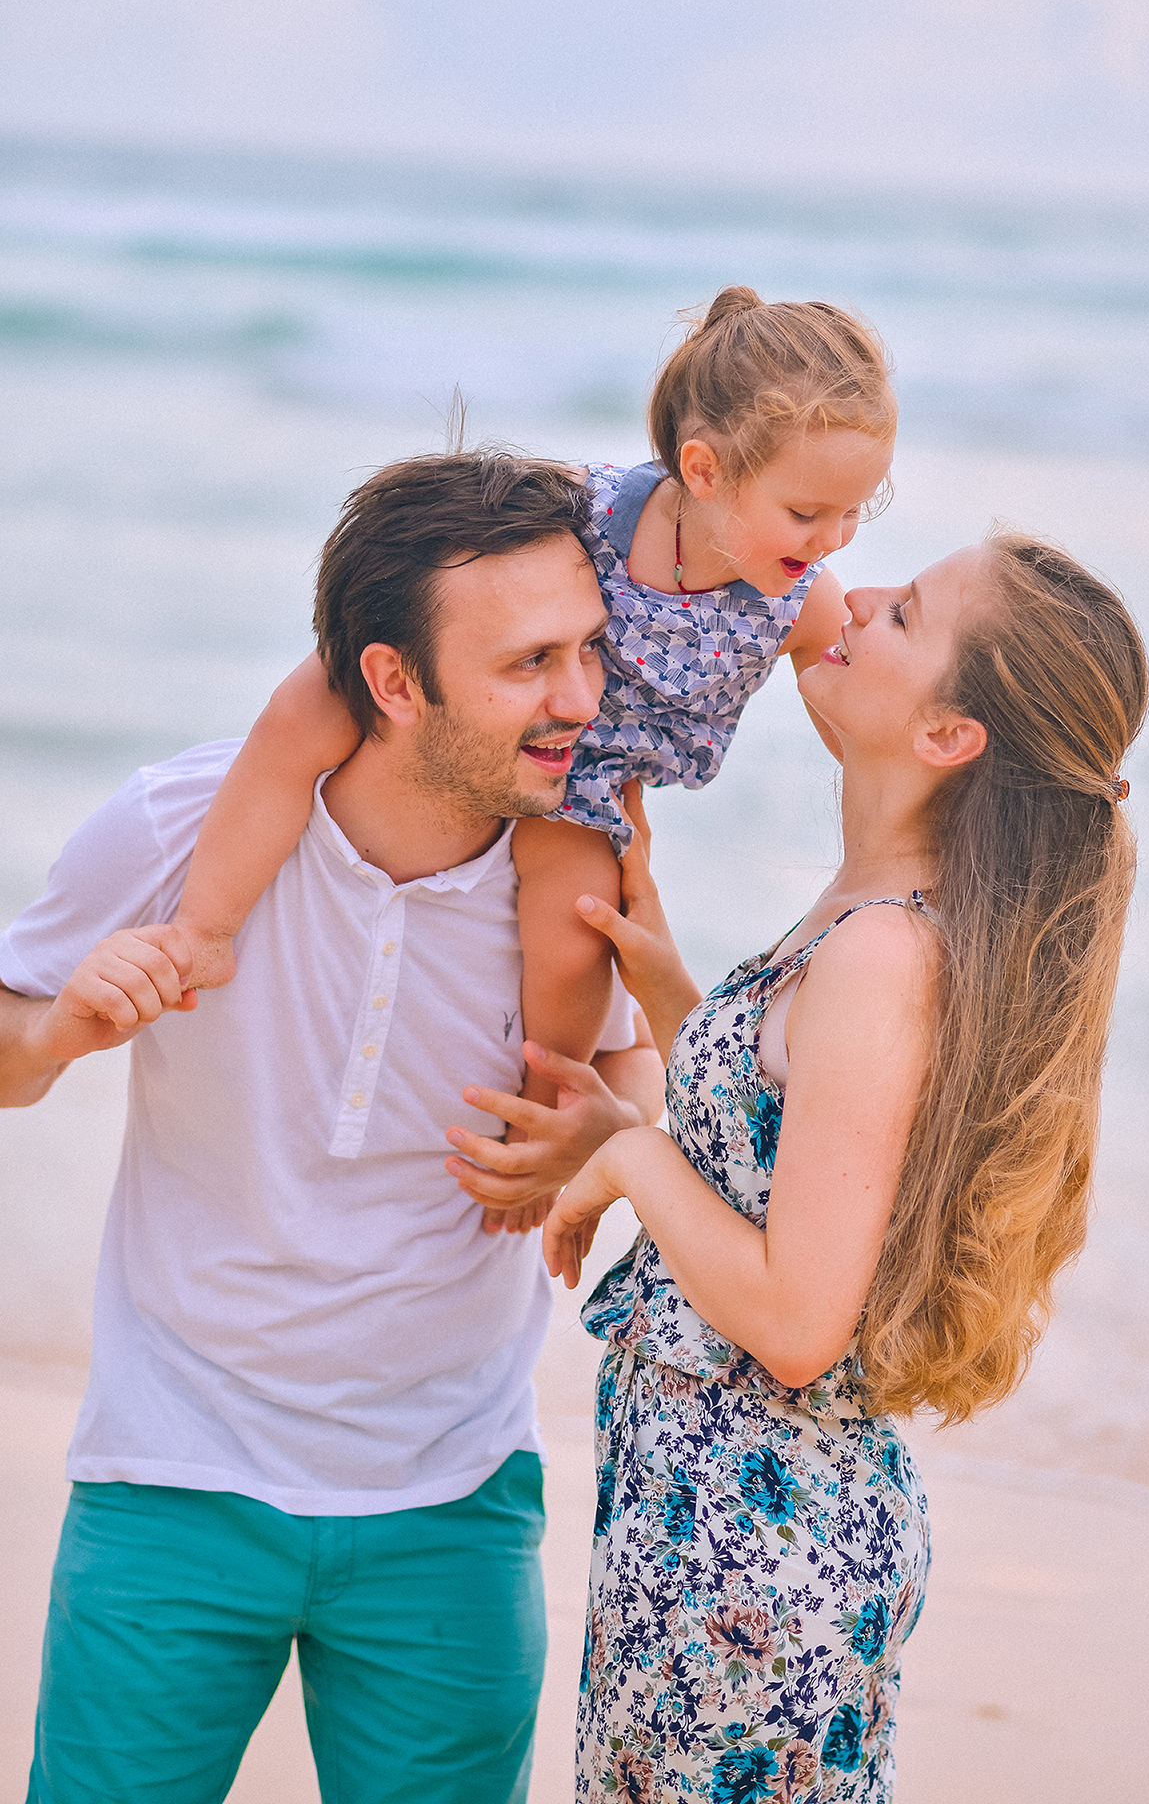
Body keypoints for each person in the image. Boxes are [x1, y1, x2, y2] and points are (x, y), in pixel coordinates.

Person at [0, 448, 664, 1804]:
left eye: (591, 651)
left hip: (453, 1497)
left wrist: (596, 1143)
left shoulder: (578, 874)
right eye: (530, 663)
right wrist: (64, 1028)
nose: (580, 702)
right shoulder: (179, 826)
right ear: (393, 681)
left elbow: (631, 1079)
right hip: (171, 1475)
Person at [450, 533, 1149, 1800]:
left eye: (906, 614)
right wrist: (669, 986)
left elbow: (794, 1319)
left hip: (756, 1555)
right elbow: (783, 1150)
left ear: (947, 736)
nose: (857, 594)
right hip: (723, 1527)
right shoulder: (872, 906)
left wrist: (623, 1151)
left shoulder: (885, 950)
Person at [170, 288, 897, 1189]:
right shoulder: (589, 512)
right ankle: (205, 925)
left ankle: (543, 1116)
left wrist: (905, 826)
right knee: (313, 701)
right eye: (806, 513)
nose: (831, 540)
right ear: (704, 471)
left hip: (592, 775)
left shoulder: (801, 597)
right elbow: (479, 576)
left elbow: (858, 727)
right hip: (524, 707)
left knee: (575, 930)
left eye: (855, 512)